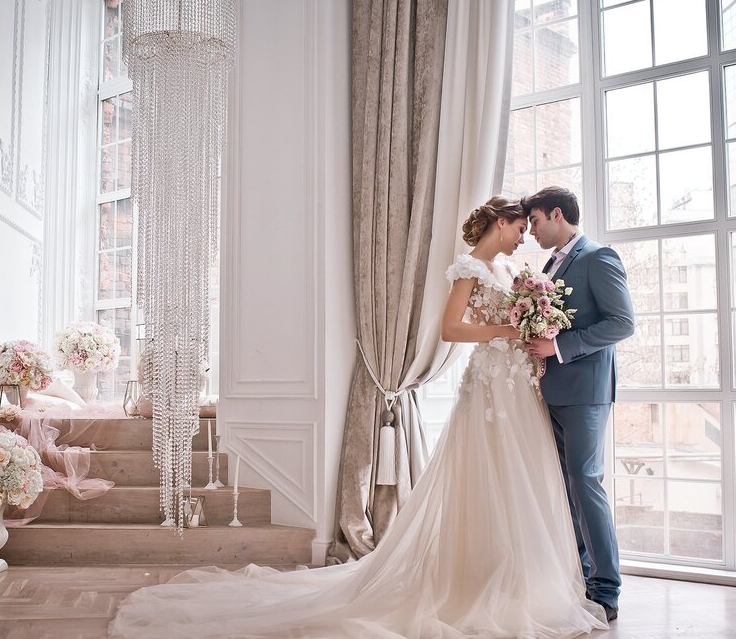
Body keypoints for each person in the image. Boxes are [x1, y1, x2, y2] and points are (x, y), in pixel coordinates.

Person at [109, 196, 607, 638]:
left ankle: (518, 578)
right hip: (490, 387)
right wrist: (503, 330)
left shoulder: (505, 271)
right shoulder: (468, 270)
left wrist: (523, 324)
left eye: (529, 227)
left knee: (522, 479)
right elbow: (453, 330)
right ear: (500, 222)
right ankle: (477, 581)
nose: (525, 235)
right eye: (520, 226)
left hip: (516, 386)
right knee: (489, 476)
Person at [522, 186, 635, 622]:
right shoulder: (550, 264)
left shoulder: (598, 257)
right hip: (552, 392)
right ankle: (582, 579)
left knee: (586, 484)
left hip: (586, 393)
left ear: (555, 214)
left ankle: (607, 589)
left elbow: (621, 323)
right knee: (567, 488)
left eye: (534, 222)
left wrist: (561, 347)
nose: (531, 231)